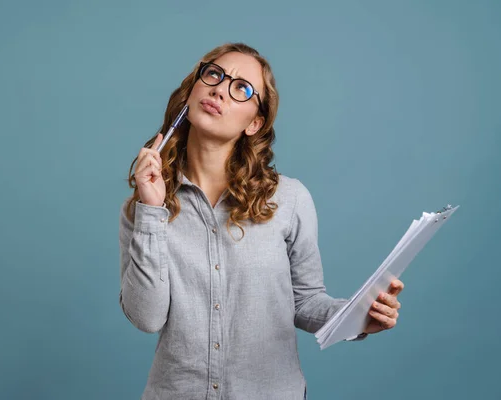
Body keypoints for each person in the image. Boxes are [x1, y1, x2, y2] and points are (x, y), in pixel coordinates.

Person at [119, 42, 404, 400]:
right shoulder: (143, 208)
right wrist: (151, 212)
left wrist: (359, 316)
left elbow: (305, 302)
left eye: (241, 88)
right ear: (191, 92)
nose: (221, 89)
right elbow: (147, 318)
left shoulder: (289, 198)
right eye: (214, 75)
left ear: (255, 123)